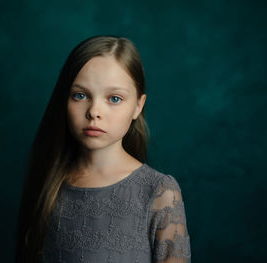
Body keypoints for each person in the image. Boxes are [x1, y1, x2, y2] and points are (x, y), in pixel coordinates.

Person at [15, 35, 191, 263]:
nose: (94, 111)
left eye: (114, 98)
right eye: (80, 95)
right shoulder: (49, 182)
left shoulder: (159, 192)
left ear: (138, 106)